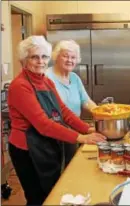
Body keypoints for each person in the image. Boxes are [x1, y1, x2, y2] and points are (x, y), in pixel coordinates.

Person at [8, 35, 106, 205]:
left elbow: (63, 112)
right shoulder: (20, 86)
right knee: (38, 198)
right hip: (27, 149)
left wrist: (87, 129)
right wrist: (80, 137)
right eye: (34, 57)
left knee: (52, 191)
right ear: (24, 60)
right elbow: (43, 124)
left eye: (44, 56)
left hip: (45, 144)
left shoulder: (46, 82)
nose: (40, 61)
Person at [46, 40, 97, 166]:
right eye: (65, 56)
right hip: (55, 133)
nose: (70, 60)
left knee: (72, 165)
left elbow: (86, 101)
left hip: (74, 130)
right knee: (59, 169)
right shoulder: (46, 77)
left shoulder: (74, 78)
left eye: (73, 57)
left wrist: (103, 114)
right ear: (56, 57)